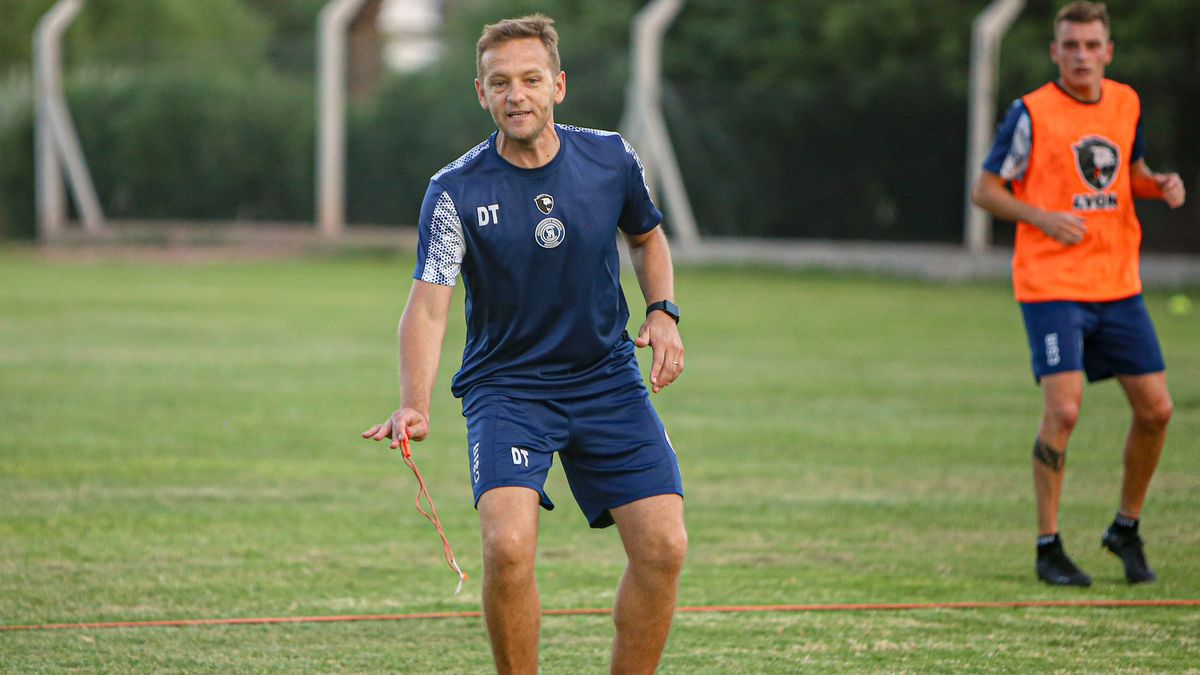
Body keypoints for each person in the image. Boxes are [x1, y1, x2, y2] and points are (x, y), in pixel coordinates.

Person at [362, 14, 687, 673]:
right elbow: (428, 305)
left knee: (664, 546)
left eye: (531, 79)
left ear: (558, 85)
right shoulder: (454, 190)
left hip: (606, 379)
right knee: (507, 545)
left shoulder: (611, 159)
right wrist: (413, 402)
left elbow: (647, 236)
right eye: (500, 82)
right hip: (507, 388)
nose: (517, 94)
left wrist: (663, 312)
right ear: (480, 94)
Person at [971, 1, 1185, 587]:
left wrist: (1156, 183)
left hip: (1118, 285)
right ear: (1055, 51)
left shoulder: (1126, 102)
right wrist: (1041, 217)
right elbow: (986, 190)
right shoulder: (1031, 114)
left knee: (1157, 410)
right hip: (1052, 285)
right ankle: (1048, 546)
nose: (1082, 55)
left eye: (1093, 45)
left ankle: (1126, 527)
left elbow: (1125, 174)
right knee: (1064, 411)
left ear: (1108, 51)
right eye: (1072, 45)